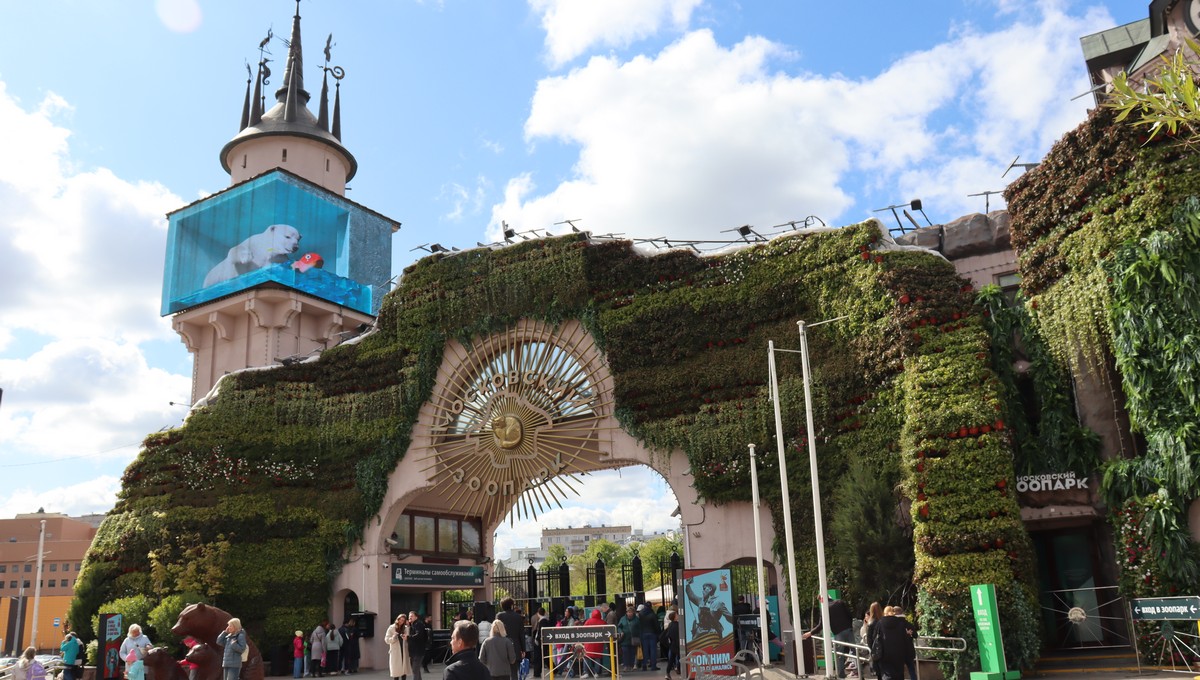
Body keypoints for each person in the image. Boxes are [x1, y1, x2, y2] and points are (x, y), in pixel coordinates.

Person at [802, 595, 855, 679]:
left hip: (838, 632)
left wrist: (810, 633)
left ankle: (841, 675)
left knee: (839, 654)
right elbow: (849, 614)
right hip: (848, 629)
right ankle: (857, 672)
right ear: (829, 597)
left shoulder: (824, 608)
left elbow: (820, 625)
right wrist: (849, 625)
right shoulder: (840, 602)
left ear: (821, 600)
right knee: (854, 650)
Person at [873, 608, 914, 680]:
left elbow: (875, 638)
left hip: (884, 654)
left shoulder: (880, 623)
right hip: (899, 655)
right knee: (899, 675)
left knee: (886, 674)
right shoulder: (900, 623)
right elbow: (905, 640)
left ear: (884, 613)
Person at [495, 598, 525, 680]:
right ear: (511, 605)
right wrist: (523, 649)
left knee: (502, 671)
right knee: (514, 671)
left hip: (501, 646)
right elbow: (521, 634)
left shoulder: (499, 616)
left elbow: (496, 631)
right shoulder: (518, 617)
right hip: (515, 646)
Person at [890, 606, 918, 680]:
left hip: (899, 652)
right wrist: (909, 634)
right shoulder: (909, 624)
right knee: (911, 670)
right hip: (909, 651)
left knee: (900, 672)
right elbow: (916, 635)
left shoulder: (894, 626)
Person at [386, 613, 413, 680]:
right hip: (395, 652)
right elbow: (386, 640)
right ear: (397, 619)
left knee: (404, 671)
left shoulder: (406, 628)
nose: (401, 622)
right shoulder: (391, 628)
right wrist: (393, 637)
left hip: (404, 651)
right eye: (400, 620)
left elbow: (409, 639)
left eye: (403, 620)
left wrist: (406, 637)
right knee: (396, 671)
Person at [861, 603, 883, 679]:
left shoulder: (870, 623)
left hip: (876, 649)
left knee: (879, 672)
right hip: (884, 648)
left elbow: (869, 639)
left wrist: (872, 649)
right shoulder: (883, 621)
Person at [615, 606, 640, 672]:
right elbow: (619, 627)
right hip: (625, 639)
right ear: (626, 613)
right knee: (625, 653)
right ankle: (626, 666)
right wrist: (621, 632)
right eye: (628, 612)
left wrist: (638, 635)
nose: (630, 613)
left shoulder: (636, 619)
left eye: (631, 612)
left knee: (632, 653)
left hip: (633, 639)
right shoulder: (623, 619)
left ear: (633, 613)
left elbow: (640, 628)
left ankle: (631, 666)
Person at [637, 604, 661, 671]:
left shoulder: (641, 614)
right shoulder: (652, 614)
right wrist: (659, 633)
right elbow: (656, 625)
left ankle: (644, 665)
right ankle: (653, 666)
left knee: (645, 650)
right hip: (652, 633)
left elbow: (639, 625)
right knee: (653, 650)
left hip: (644, 634)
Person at [407, 612, 427, 680]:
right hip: (414, 651)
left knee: (415, 670)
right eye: (409, 616)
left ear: (416, 617)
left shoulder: (418, 624)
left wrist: (408, 637)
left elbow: (419, 635)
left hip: (418, 651)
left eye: (412, 616)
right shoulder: (413, 624)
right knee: (416, 670)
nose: (410, 617)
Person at [660, 611, 680, 680]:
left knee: (671, 660)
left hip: (672, 645)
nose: (678, 615)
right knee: (680, 658)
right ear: (674, 617)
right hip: (678, 645)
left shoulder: (670, 625)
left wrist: (668, 644)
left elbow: (664, 636)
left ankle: (667, 673)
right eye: (677, 615)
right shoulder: (678, 625)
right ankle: (678, 668)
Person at [529, 608, 548, 678]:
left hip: (539, 642)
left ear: (538, 613)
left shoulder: (542, 621)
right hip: (539, 641)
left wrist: (537, 639)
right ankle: (537, 672)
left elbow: (540, 632)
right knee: (541, 657)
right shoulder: (542, 620)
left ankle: (537, 672)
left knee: (538, 657)